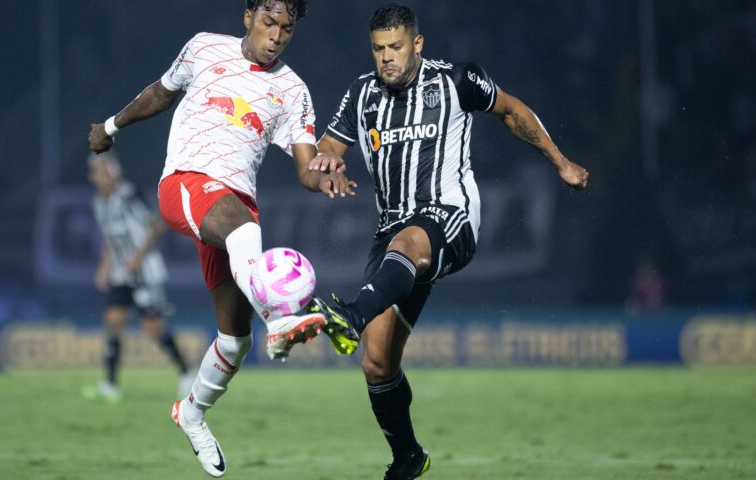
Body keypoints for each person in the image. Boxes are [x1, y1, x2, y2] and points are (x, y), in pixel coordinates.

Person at [307, 4, 590, 479]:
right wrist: (325, 166)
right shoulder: (361, 94)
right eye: (378, 49)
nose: (386, 58)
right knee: (377, 364)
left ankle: (351, 315)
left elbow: (511, 110)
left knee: (411, 241)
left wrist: (560, 162)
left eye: (396, 47)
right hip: (392, 234)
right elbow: (329, 147)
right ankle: (408, 457)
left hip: (450, 218)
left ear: (418, 44)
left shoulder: (456, 81)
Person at [87, 0, 353, 476]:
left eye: (287, 30)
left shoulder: (292, 89)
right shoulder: (204, 49)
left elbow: (305, 166)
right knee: (246, 231)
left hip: (234, 211)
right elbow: (161, 93)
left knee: (233, 342)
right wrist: (110, 126)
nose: (276, 36)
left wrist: (324, 174)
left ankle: (191, 413)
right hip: (187, 183)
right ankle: (282, 318)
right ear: (248, 15)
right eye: (269, 23)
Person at [84, 151, 194, 403]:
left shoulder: (130, 195)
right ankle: (111, 384)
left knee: (154, 329)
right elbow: (109, 239)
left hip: (146, 272)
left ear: (113, 171)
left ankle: (186, 373)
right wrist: (104, 267)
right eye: (95, 172)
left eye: (101, 170)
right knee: (113, 320)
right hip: (121, 273)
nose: (97, 176)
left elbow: (157, 226)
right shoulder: (99, 203)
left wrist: (138, 257)